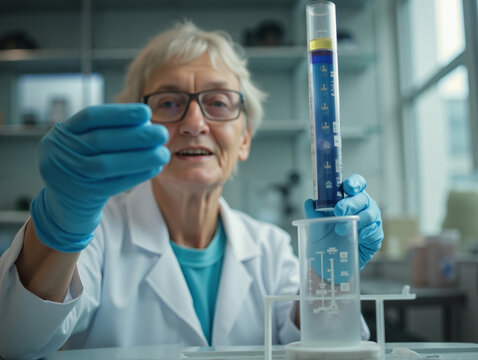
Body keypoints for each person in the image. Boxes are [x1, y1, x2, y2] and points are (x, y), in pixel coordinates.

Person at [0, 22, 383, 359]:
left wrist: (329, 275)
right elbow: (14, 340)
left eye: (217, 102)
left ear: (245, 138)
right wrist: (59, 225)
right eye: (169, 102)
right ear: (136, 129)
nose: (194, 122)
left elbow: (322, 351)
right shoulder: (97, 235)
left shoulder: (270, 248)